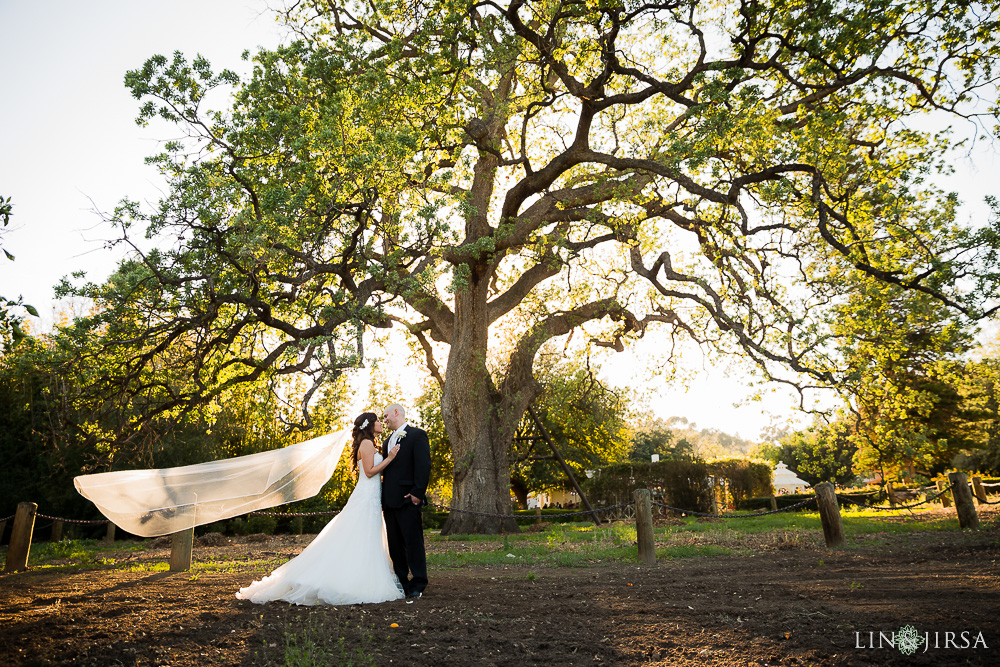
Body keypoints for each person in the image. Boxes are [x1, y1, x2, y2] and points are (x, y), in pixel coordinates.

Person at [236, 413, 405, 606]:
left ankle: (357, 573)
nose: (380, 423)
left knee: (362, 536)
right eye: (376, 420)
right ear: (369, 425)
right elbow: (369, 472)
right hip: (365, 497)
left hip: (372, 497)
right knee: (359, 533)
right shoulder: (366, 444)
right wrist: (390, 458)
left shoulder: (369, 443)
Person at [380, 403, 431, 599]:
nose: (384, 420)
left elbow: (423, 465)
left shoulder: (417, 435)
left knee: (413, 543)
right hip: (389, 501)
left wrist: (418, 493)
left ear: (396, 412)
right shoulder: (387, 442)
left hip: (409, 499)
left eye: (385, 416)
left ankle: (418, 583)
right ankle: (402, 581)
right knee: (395, 545)